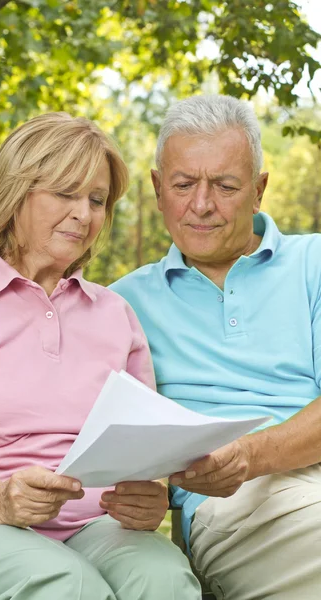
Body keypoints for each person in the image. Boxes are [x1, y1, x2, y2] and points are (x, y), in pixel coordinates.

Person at [0, 112, 202, 600]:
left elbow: (144, 458)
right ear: (16, 192)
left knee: (163, 579)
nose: (84, 213)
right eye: (65, 193)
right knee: (65, 586)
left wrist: (146, 498)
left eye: (96, 200)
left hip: (93, 527)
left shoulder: (115, 313)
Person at [110, 95, 321, 600]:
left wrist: (250, 452)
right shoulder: (121, 304)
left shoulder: (314, 263)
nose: (201, 205)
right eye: (183, 185)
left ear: (259, 190)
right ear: (159, 189)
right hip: (236, 505)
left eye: (225, 186)